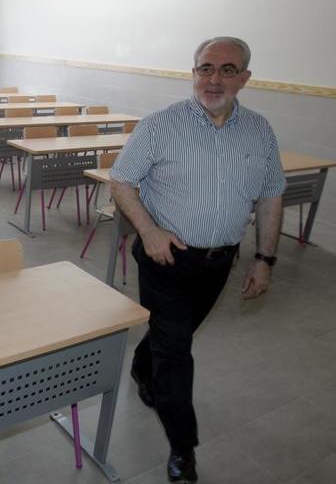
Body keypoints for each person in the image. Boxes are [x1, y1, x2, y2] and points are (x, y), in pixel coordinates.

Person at [109, 36, 285, 483]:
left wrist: (264, 257)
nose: (214, 79)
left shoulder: (260, 130)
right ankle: (183, 448)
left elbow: (270, 196)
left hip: (219, 261)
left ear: (245, 78)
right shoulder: (159, 125)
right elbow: (122, 181)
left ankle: (142, 365)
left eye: (228, 70)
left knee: (175, 335)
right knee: (177, 353)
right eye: (205, 68)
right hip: (165, 257)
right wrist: (149, 231)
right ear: (193, 73)